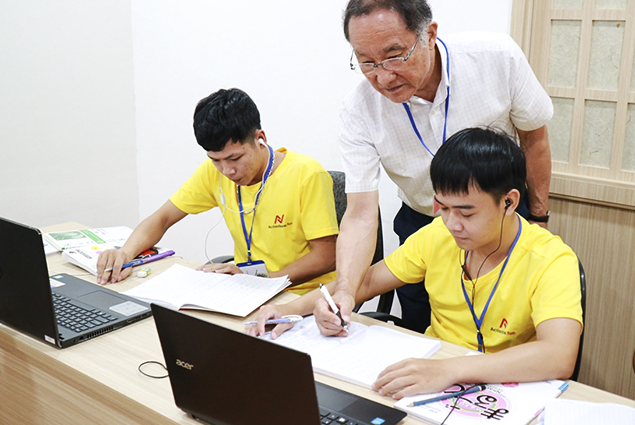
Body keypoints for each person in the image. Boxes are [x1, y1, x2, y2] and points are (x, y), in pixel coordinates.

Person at [247, 127, 582, 398]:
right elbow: (364, 282)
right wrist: (291, 310)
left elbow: (558, 355)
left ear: (508, 202)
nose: (452, 223)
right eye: (443, 207)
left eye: (466, 211)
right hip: (431, 377)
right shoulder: (438, 235)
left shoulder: (551, 259)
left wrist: (452, 370)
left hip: (504, 388)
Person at [335, 0, 554, 333]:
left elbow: (534, 139)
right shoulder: (359, 108)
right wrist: (346, 292)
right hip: (422, 224)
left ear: (429, 35)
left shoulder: (495, 58)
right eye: (366, 61)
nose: (383, 76)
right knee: (422, 329)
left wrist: (539, 218)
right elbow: (360, 214)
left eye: (395, 56)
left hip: (500, 221)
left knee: (510, 330)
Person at [96, 88, 338, 294]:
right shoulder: (213, 172)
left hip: (301, 295)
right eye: (216, 160)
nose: (227, 171)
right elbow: (162, 217)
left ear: (260, 138)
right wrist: (125, 253)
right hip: (246, 291)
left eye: (235, 158)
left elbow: (328, 256)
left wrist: (264, 281)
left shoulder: (306, 175)